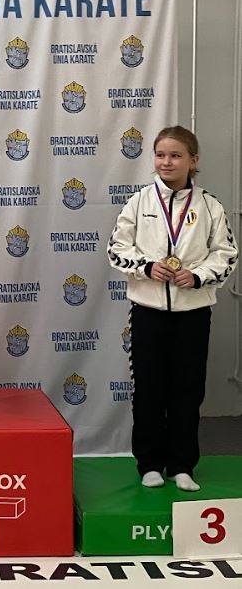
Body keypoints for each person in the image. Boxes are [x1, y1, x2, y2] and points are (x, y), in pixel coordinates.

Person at [108, 126, 238, 490]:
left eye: (176, 155)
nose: (166, 162)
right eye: (160, 155)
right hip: (148, 311)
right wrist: (147, 267)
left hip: (193, 313)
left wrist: (197, 276)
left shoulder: (209, 205)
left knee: (188, 389)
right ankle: (149, 463)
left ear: (193, 161)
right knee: (149, 389)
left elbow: (226, 254)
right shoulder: (138, 202)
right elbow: (116, 248)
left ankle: (182, 465)